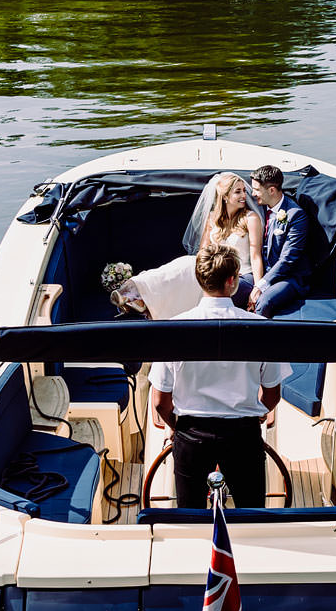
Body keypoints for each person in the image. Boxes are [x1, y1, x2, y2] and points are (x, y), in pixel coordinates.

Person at [149, 245, 289, 508]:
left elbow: (159, 402)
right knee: (252, 513)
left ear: (200, 280)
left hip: (191, 435)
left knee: (190, 516)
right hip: (243, 436)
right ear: (232, 281)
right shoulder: (261, 330)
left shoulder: (172, 330)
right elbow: (272, 394)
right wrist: (257, 413)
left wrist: (177, 427)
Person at [110, 173, 263, 317]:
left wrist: (258, 287)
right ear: (224, 196)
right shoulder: (212, 218)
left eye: (244, 191)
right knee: (190, 262)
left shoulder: (250, 218)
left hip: (240, 275)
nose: (244, 196)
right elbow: (203, 253)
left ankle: (143, 299)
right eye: (238, 192)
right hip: (214, 272)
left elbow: (256, 256)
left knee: (191, 268)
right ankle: (138, 290)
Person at [249, 165, 312, 316]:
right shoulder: (260, 207)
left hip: (288, 277)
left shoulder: (295, 215)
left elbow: (288, 260)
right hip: (262, 272)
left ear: (271, 190)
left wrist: (260, 286)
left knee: (263, 302)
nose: (252, 193)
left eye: (257, 190)